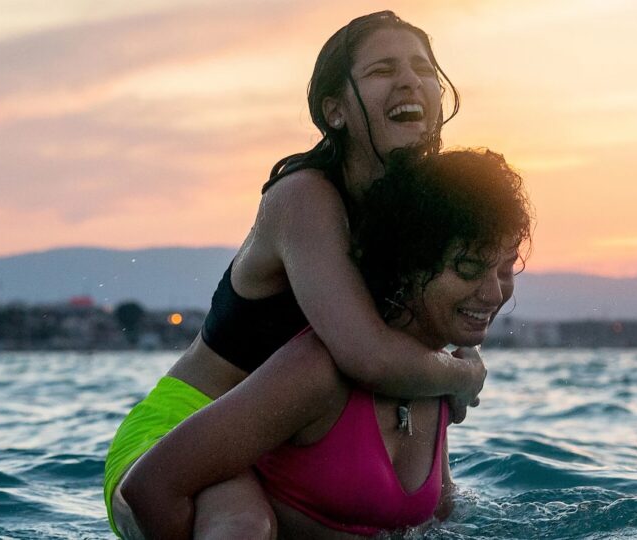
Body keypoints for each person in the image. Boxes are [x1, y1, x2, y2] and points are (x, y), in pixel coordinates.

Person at [103, 11, 500, 538]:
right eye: (383, 69)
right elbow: (368, 355)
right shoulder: (304, 199)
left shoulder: (414, 212)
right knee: (244, 523)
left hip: (288, 444)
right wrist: (464, 373)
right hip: (184, 432)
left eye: (423, 68)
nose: (409, 80)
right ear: (334, 111)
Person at [121, 148, 533, 538]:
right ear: (410, 265)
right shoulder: (316, 371)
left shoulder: (436, 377)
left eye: (505, 268)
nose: (494, 294)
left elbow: (440, 521)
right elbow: (150, 488)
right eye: (469, 269)